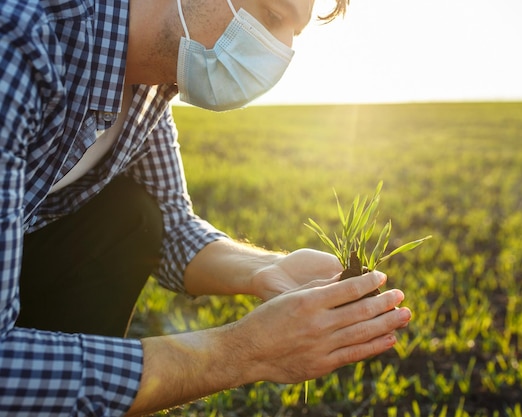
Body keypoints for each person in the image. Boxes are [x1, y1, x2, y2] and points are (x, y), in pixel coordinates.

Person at [0, 0, 412, 415]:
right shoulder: (22, 45)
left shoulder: (150, 86)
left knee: (133, 216)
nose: (278, 52)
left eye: (292, 34)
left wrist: (269, 270)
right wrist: (247, 351)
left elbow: (173, 226)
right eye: (271, 15)